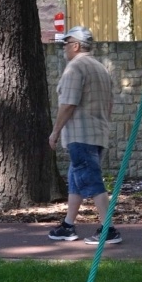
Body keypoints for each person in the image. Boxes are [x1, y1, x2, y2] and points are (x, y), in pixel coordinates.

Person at [46, 25, 121, 245]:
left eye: (66, 44)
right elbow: (109, 105)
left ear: (76, 46)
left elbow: (68, 104)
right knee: (76, 181)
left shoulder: (74, 68)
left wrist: (55, 131)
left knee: (92, 180)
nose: (64, 49)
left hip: (80, 135)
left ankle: (109, 229)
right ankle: (68, 225)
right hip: (97, 134)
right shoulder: (100, 69)